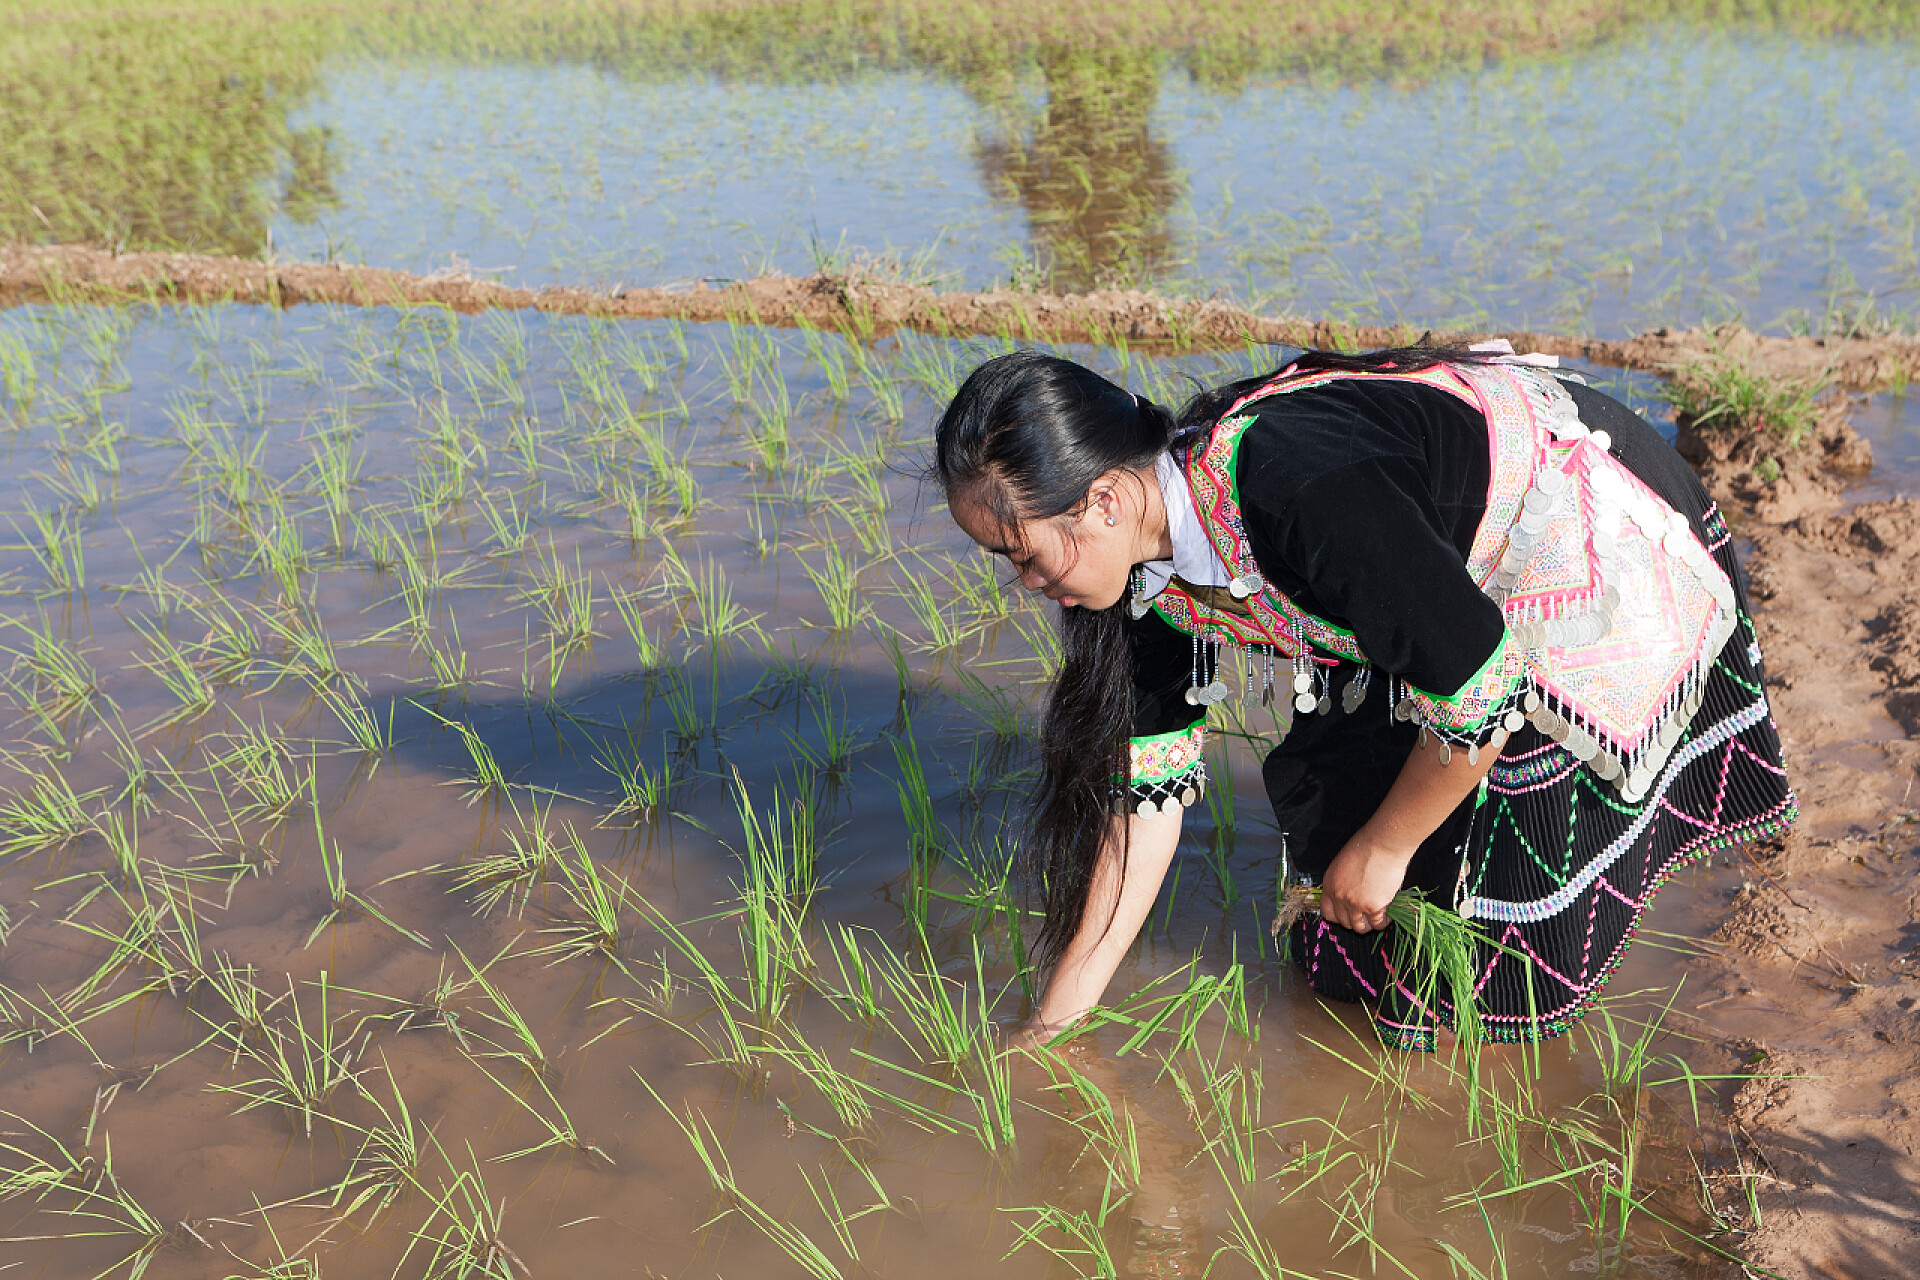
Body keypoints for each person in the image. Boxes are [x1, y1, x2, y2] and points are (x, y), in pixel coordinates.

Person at [934, 345, 1796, 1048]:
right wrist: (1055, 1023)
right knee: (1340, 961)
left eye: (1023, 553)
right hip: (1438, 595)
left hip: (1572, 525)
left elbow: (1479, 690)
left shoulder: (1299, 487)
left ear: (1107, 499)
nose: (1023, 582)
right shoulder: (1136, 578)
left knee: (1477, 971)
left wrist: (1383, 851)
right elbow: (1145, 805)